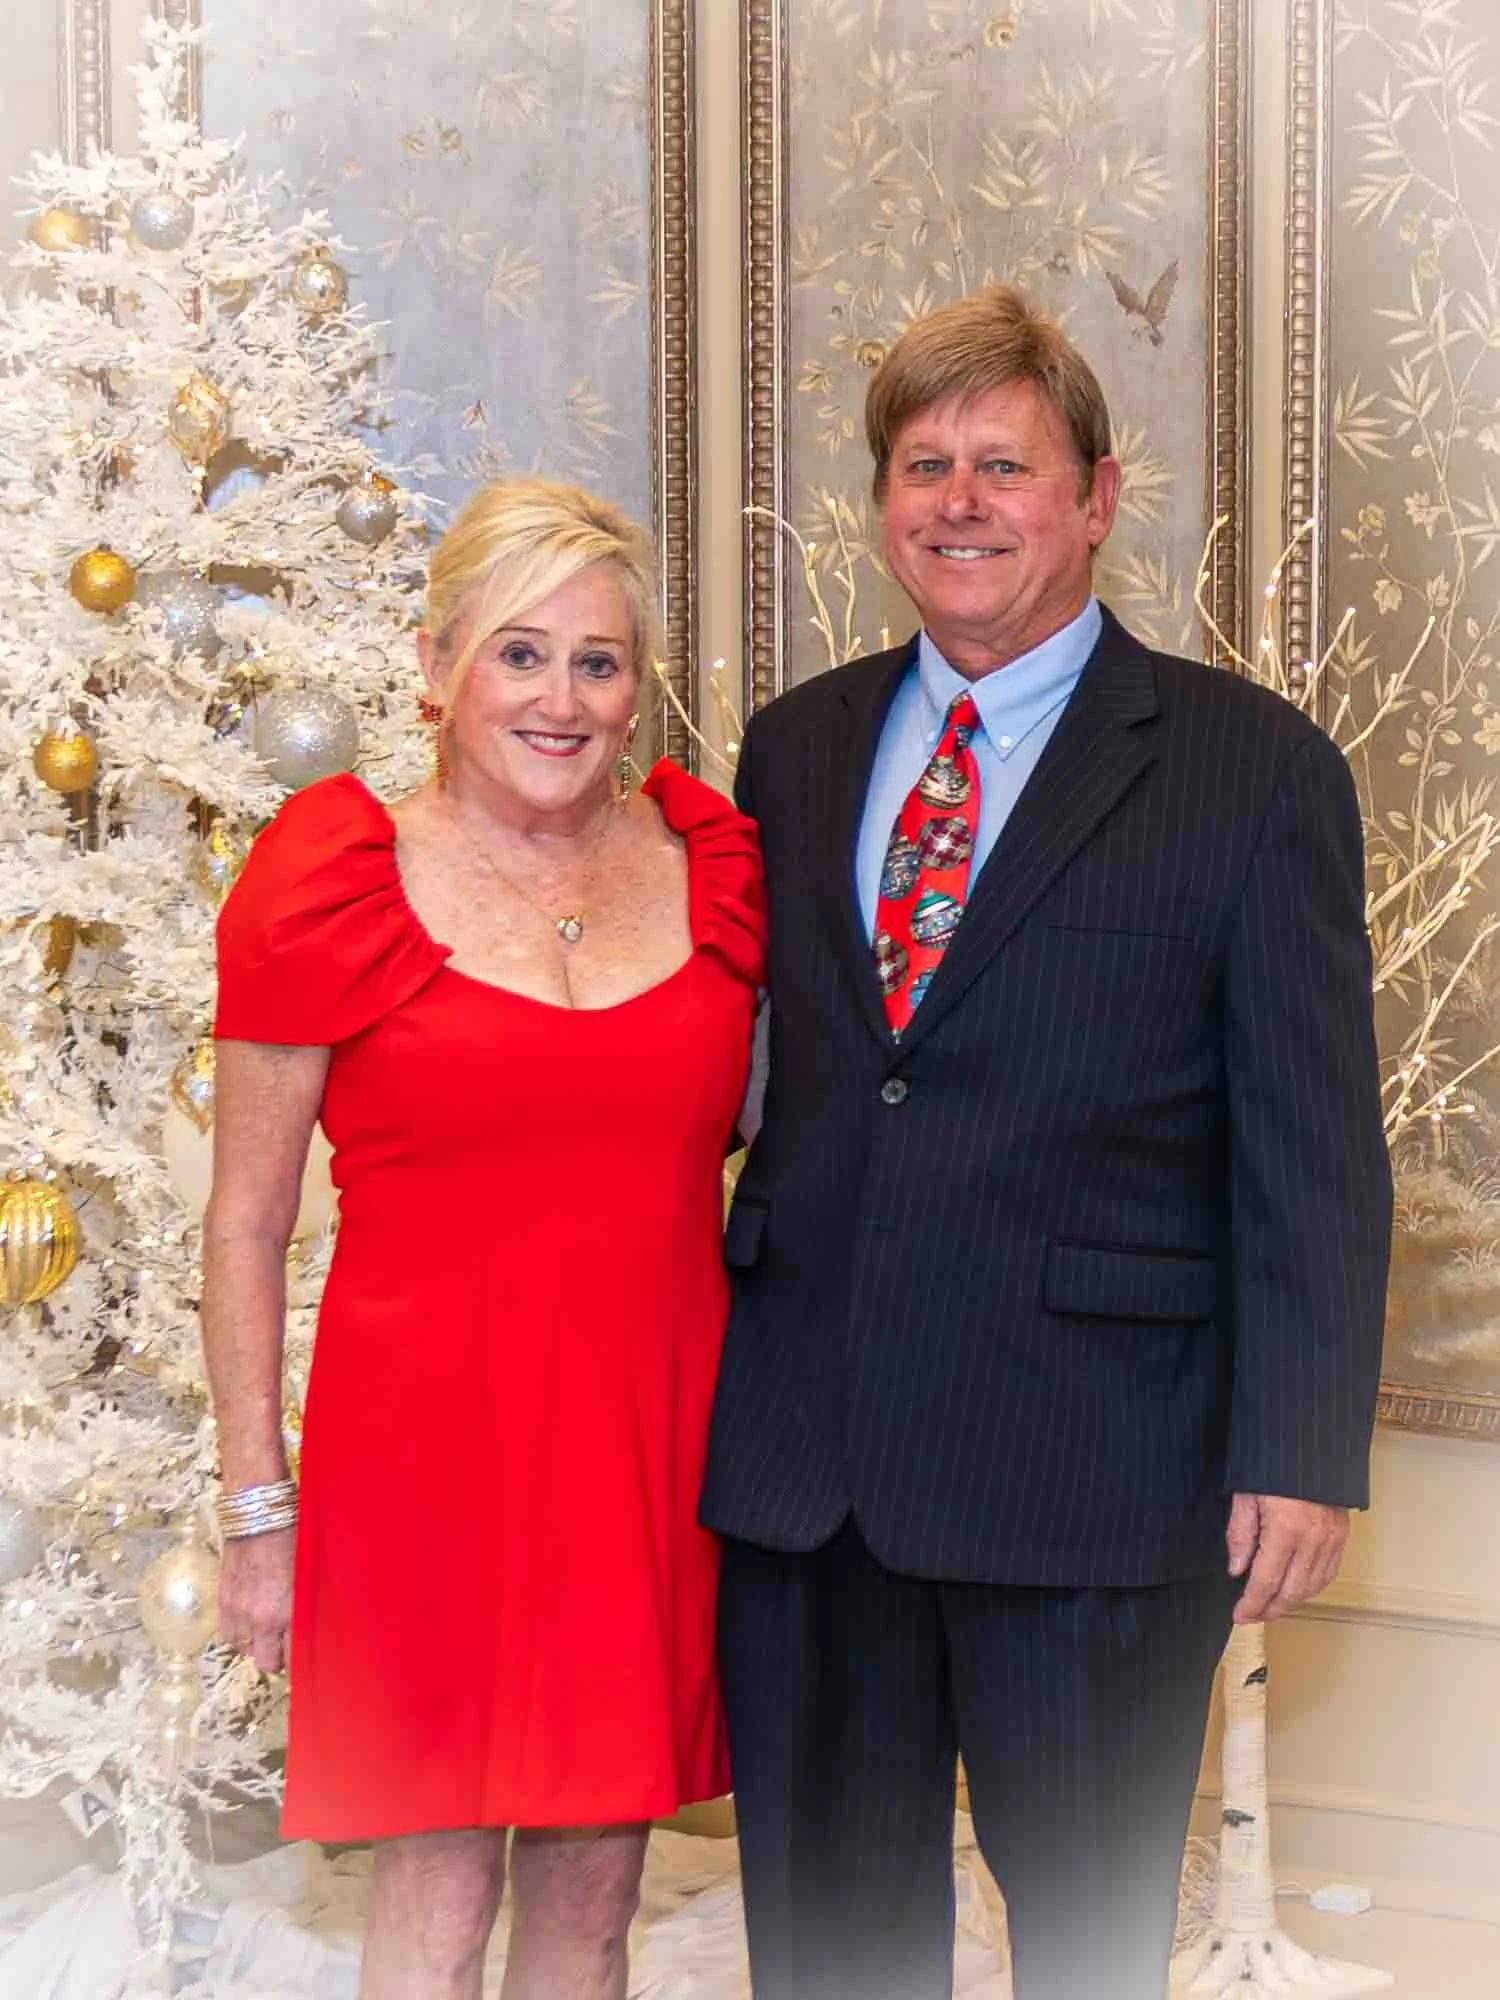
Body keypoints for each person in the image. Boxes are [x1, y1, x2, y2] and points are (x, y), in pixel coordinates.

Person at [702, 285, 1392, 2000]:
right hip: (812, 1469)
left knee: (1086, 1950)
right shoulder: (792, 751)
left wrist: (1303, 1449)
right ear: (883, 505)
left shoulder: (1251, 772)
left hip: (1096, 1470)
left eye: (1004, 465)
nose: (961, 501)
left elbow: (1313, 1146)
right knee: (828, 1952)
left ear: (1094, 497)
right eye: (922, 466)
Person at [200, 476, 765, 2000]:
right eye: (519, 653)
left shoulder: (715, 869)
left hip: (646, 1457)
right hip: (419, 1473)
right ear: (437, 666)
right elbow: (245, 1224)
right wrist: (258, 1512)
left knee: (597, 1895)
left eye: (598, 661)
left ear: (637, 688)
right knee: (437, 1899)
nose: (560, 699)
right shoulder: (326, 883)